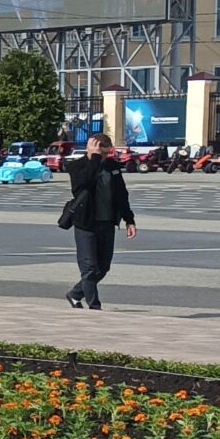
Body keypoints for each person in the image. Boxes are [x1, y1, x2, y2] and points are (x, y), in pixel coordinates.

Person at [62, 133, 138, 310]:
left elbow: (122, 195)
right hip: (85, 223)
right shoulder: (77, 165)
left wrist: (129, 220)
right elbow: (82, 184)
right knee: (89, 268)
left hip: (107, 223)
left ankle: (75, 293)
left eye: (106, 154)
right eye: (101, 153)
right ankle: (95, 307)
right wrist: (94, 158)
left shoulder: (112, 166)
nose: (104, 157)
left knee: (102, 268)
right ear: (90, 148)